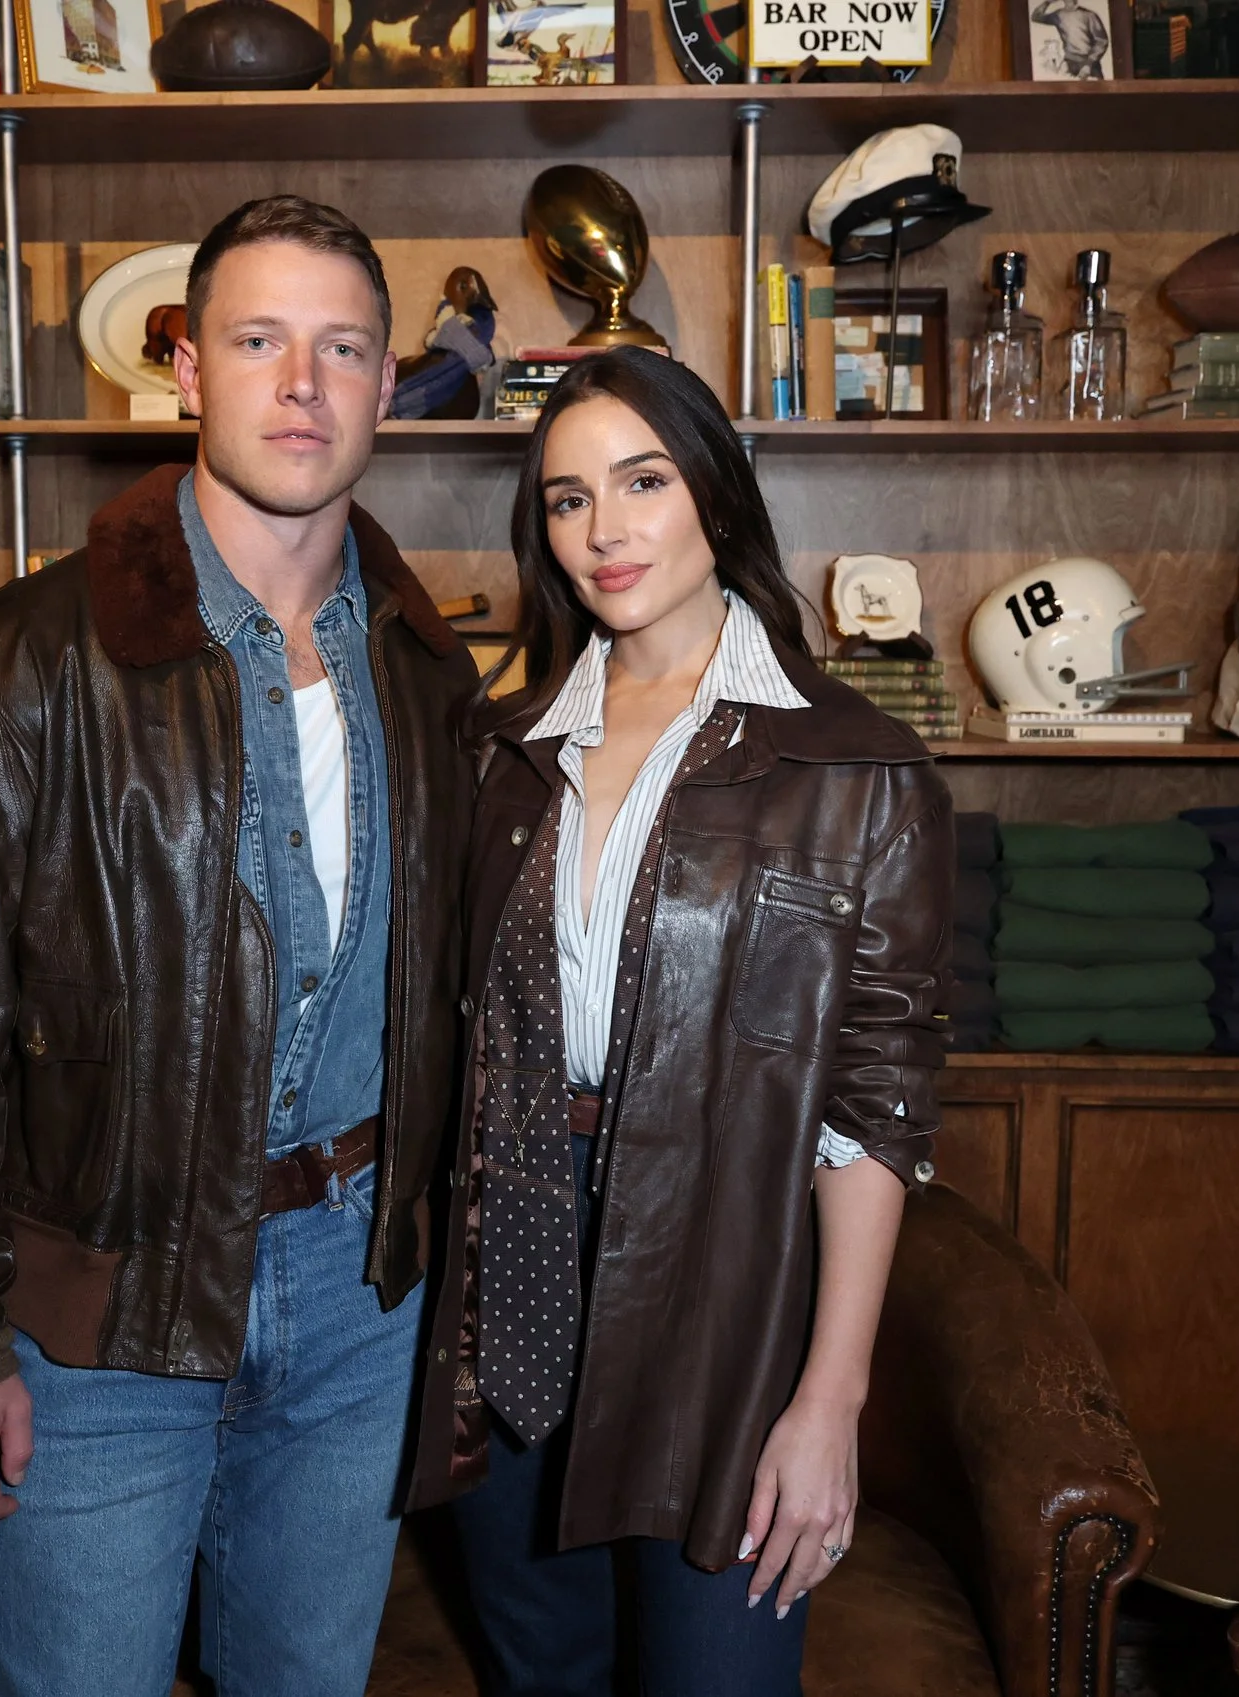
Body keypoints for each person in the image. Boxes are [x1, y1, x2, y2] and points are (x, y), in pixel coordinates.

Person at [0, 196, 477, 1697]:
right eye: (258, 341)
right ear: (186, 372)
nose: (302, 386)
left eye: (342, 349)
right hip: (101, 1310)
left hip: (355, 1299)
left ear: (389, 388)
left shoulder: (430, 670)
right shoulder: (13, 662)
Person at [405, 345, 955, 1695]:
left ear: (713, 488)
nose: (603, 530)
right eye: (565, 498)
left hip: (728, 1266)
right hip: (513, 1255)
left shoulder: (857, 766)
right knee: (539, 1669)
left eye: (641, 481)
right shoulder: (508, 749)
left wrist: (830, 1403)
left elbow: (874, 1112)